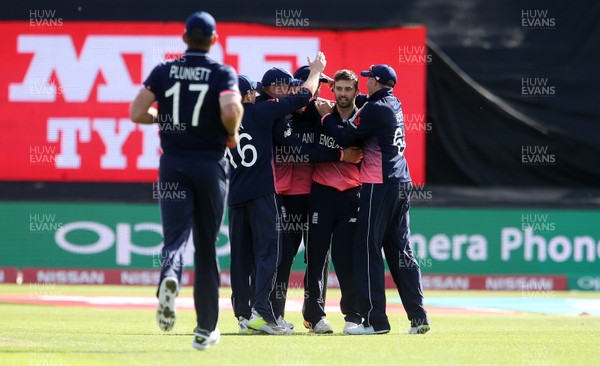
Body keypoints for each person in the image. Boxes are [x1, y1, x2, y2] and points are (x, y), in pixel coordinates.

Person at [129, 11, 243, 350]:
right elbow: (230, 108)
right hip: (209, 165)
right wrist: (233, 133)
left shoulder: (164, 71)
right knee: (207, 248)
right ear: (213, 40)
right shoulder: (221, 72)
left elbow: (137, 112)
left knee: (175, 238)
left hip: (173, 164)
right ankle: (205, 329)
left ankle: (168, 277)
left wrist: (162, 118)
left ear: (184, 38)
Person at [320, 64, 430, 335]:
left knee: (366, 249)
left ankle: (374, 321)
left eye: (369, 80)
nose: (366, 83)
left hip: (378, 184)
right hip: (402, 183)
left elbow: (346, 136)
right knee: (401, 252)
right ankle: (419, 317)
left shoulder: (373, 109)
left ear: (376, 83)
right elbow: (365, 109)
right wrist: (341, 90)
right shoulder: (394, 102)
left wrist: (327, 118)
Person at [226, 58, 327, 335]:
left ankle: (244, 316)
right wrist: (316, 71)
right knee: (268, 252)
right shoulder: (261, 111)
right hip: (261, 193)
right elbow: (305, 95)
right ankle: (265, 314)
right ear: (248, 95)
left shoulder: (223, 118)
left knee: (240, 258)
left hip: (235, 198)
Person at [304, 69, 363, 334]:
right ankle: (314, 315)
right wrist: (340, 154)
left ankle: (353, 315)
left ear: (356, 92)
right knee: (316, 256)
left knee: (345, 257)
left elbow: (353, 145)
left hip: (352, 194)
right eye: (338, 88)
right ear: (333, 90)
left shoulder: (363, 116)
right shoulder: (319, 115)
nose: (342, 94)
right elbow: (310, 152)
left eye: (348, 89)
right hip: (322, 193)